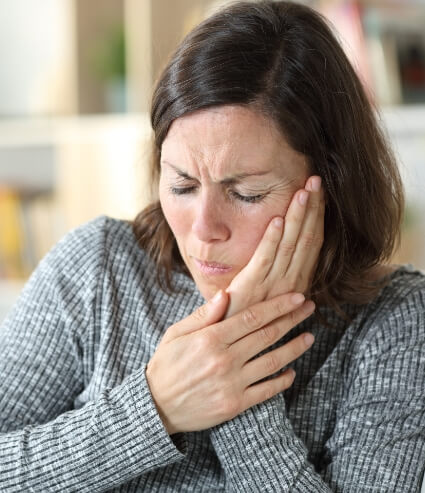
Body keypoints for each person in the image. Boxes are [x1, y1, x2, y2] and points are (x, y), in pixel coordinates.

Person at [0, 1, 424, 491]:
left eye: (246, 194)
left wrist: (236, 382)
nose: (203, 228)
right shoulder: (97, 268)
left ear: (331, 186)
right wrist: (152, 408)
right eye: (182, 185)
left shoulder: (394, 321)